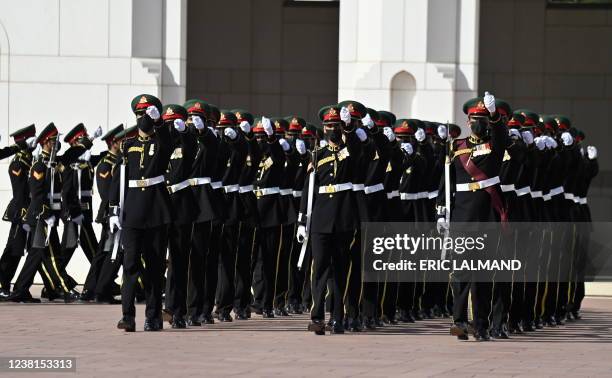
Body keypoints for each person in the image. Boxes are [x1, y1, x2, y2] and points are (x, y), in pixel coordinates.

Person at [437, 92, 507, 341]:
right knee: (460, 273)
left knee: (483, 277)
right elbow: (446, 182)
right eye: (474, 119)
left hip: (486, 216)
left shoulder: (496, 144)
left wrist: (496, 117)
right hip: (462, 217)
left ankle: (481, 325)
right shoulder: (457, 148)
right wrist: (441, 211)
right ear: (467, 122)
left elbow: (501, 137)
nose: (478, 123)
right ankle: (459, 321)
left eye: (482, 119)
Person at [298, 105, 366, 335]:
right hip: (320, 218)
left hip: (344, 217)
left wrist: (348, 128)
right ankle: (317, 317)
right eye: (328, 127)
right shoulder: (317, 154)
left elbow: (357, 147)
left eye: (335, 126)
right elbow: (309, 188)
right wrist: (301, 220)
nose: (331, 130)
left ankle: (338, 317)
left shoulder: (351, 149)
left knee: (341, 270)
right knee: (319, 270)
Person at [112, 94, 176, 332]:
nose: (142, 119)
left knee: (155, 266)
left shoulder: (162, 143)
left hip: (156, 210)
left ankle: (153, 316)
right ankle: (127, 316)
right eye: (139, 115)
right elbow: (119, 180)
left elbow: (168, 142)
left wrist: (159, 122)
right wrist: (112, 209)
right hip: (133, 211)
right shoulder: (128, 145)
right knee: (129, 265)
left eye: (146, 115)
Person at [9, 123, 90, 303]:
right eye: (54, 140)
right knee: (51, 254)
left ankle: (21, 289)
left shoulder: (54, 163)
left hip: (49, 217)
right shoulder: (39, 166)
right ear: (46, 142)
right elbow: (37, 196)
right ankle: (64, 288)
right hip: (41, 217)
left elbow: (71, 155)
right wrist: (46, 215)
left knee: (38, 255)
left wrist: (87, 142)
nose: (57, 143)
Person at [0, 125, 37, 300]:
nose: (35, 141)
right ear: (24, 141)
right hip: (20, 212)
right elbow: (20, 191)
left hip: (29, 211)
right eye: (31, 138)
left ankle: (18, 286)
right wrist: (25, 214)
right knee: (13, 249)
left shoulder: (30, 160)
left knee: (20, 249)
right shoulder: (18, 163)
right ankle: (2, 283)